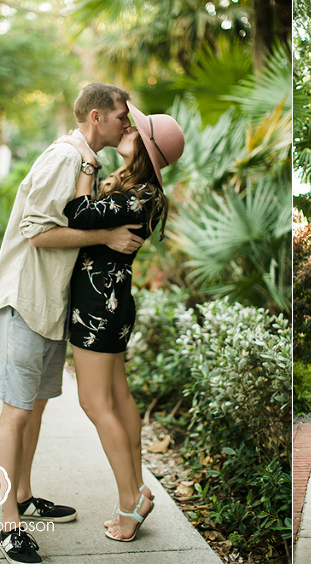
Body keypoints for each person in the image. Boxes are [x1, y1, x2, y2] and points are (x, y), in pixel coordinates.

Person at [0, 82, 142, 564]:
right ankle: (9, 524)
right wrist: (108, 235)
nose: (126, 125)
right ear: (96, 117)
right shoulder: (65, 159)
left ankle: (26, 497)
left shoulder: (85, 163)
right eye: (120, 117)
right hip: (27, 299)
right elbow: (37, 232)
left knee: (34, 404)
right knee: (17, 410)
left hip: (52, 304)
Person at [55, 102, 184, 542]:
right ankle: (139, 487)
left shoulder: (142, 192)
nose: (129, 127)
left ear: (146, 148)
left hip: (99, 305)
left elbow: (78, 214)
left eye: (137, 129)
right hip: (111, 303)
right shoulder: (138, 188)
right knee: (116, 397)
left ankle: (131, 500)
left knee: (93, 402)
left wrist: (88, 163)